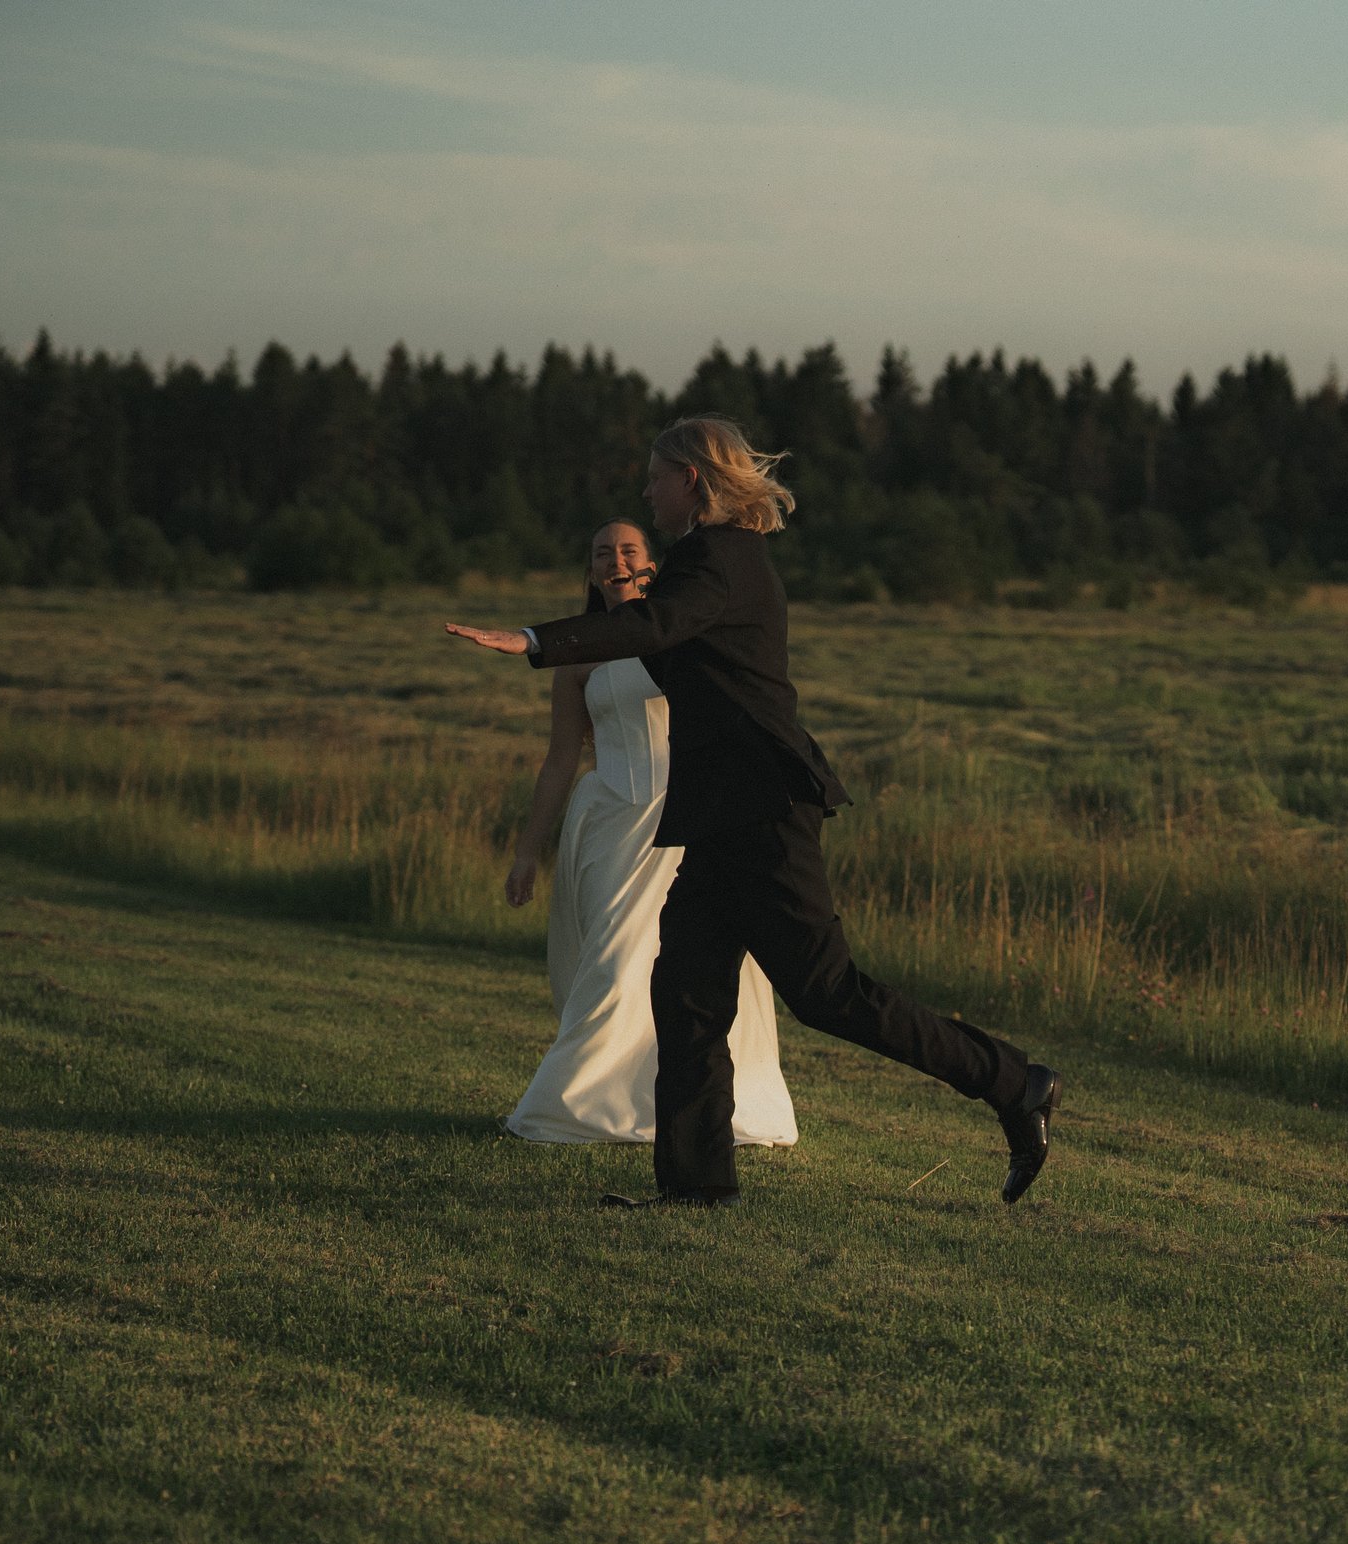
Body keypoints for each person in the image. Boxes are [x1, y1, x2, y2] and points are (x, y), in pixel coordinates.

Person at [447, 416, 1062, 1207]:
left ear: (692, 481)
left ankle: (1017, 1083)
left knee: (828, 994)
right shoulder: (705, 563)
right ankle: (697, 1186)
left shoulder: (720, 557)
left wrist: (534, 637)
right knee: (687, 993)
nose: (646, 492)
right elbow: (661, 634)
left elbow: (655, 626)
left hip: (765, 811)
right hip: (716, 818)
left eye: (656, 477)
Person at [502, 520, 796, 1148]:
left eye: (629, 550)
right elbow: (560, 760)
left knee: (692, 967)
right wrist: (529, 849)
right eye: (602, 552)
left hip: (687, 816)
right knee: (611, 964)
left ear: (653, 565)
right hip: (609, 820)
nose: (616, 561)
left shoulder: (687, 634)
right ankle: (583, 1106)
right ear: (590, 572)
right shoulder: (577, 653)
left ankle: (707, 1108)